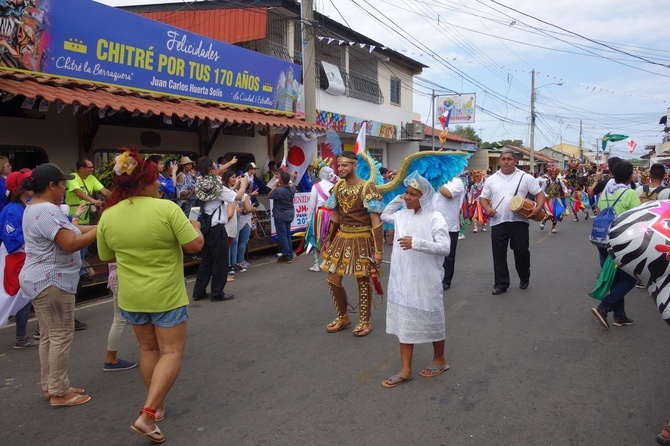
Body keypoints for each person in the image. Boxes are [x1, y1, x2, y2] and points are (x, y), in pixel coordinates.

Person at [96, 149, 204, 442]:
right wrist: (196, 228)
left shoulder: (108, 215)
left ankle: (157, 406)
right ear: (144, 181)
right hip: (166, 293)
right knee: (171, 352)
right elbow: (194, 246)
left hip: (132, 296)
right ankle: (147, 414)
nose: (159, 184)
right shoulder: (166, 209)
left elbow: (107, 255)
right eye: (156, 179)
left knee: (148, 350)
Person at [20, 163, 97, 407]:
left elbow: (73, 230)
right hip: (52, 280)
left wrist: (99, 227)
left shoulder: (36, 208)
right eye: (63, 183)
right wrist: (102, 229)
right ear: (52, 185)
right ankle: (60, 392)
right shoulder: (45, 210)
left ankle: (52, 385)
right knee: (61, 335)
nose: (65, 188)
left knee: (49, 336)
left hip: (41, 279)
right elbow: (70, 243)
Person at [380, 172, 451, 388]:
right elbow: (384, 215)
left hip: (425, 278)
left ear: (425, 196)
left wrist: (417, 243)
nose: (407, 197)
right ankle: (405, 369)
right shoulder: (402, 215)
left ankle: (439, 360)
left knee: (431, 317)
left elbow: (445, 247)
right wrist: (399, 197)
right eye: (406, 193)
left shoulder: (435, 217)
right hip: (402, 279)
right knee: (404, 322)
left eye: (413, 194)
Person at [320, 151, 384, 337]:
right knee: (332, 278)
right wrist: (328, 241)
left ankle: (365, 321)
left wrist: (378, 251)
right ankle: (343, 316)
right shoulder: (338, 187)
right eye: (338, 166)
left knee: (363, 279)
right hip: (342, 237)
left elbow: (375, 221)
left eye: (344, 165)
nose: (340, 169)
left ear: (355, 166)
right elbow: (335, 216)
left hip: (363, 238)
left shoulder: (368, 188)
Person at [479, 149, 545, 295]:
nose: (506, 161)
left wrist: (537, 208)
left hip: (519, 222)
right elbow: (483, 198)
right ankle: (501, 284)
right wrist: (487, 208)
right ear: (500, 161)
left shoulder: (525, 177)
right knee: (499, 254)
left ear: (515, 161)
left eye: (509, 159)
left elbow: (540, 194)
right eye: (503, 159)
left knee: (521, 251)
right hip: (498, 222)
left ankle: (524, 275)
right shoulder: (491, 179)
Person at [590, 160, 641, 329]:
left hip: (603, 241)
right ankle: (604, 307)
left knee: (615, 278)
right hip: (621, 242)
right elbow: (638, 219)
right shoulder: (630, 194)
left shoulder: (605, 192)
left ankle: (620, 316)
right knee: (629, 279)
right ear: (630, 176)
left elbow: (598, 211)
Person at [192, 159, 247, 302]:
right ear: (211, 171)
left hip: (204, 228)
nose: (220, 170)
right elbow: (238, 196)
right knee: (220, 261)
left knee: (207, 260)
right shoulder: (217, 188)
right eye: (217, 168)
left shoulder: (199, 184)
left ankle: (199, 291)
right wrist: (244, 184)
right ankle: (217, 292)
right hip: (217, 228)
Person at [0, 169, 36, 348]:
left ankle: (25, 335)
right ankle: (21, 337)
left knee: (25, 295)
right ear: (20, 188)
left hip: (24, 256)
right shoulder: (12, 210)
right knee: (17, 296)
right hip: (15, 258)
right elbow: (11, 238)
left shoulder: (26, 205)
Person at [65, 158, 110, 282]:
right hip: (73, 217)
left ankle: (81, 270)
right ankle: (80, 272)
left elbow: (104, 190)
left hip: (84, 218)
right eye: (90, 167)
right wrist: (93, 201)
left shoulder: (91, 179)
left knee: (83, 247)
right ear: (82, 168)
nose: (92, 169)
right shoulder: (72, 177)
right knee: (76, 246)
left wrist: (116, 197)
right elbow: (78, 192)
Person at [102, 262, 138, 372]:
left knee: (119, 319)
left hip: (116, 276)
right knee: (140, 316)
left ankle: (111, 358)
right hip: (126, 276)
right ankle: (151, 351)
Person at [433, 174, 465, 290]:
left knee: (448, 256)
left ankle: (446, 280)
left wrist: (437, 181)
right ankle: (433, 279)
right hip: (432, 224)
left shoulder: (456, 182)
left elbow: (448, 194)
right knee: (432, 254)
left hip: (449, 225)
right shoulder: (431, 181)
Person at [306, 165, 335, 271]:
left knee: (316, 236)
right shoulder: (334, 186)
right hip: (332, 214)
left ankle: (316, 264)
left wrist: (309, 218)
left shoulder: (316, 186)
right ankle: (331, 263)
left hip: (320, 215)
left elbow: (311, 204)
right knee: (332, 237)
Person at [269, 171, 297, 263]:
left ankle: (287, 255)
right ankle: (289, 254)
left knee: (282, 236)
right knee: (288, 235)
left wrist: (275, 185)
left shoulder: (278, 190)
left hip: (280, 214)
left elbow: (269, 195)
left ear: (281, 181)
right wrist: (293, 178)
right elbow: (292, 183)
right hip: (289, 213)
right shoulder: (292, 189)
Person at [539, 165, 568, 234]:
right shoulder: (547, 181)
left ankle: (553, 227)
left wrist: (566, 192)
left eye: (555, 173)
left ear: (557, 173)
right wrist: (546, 196)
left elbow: (564, 187)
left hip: (557, 199)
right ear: (550, 174)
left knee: (558, 213)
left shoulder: (559, 180)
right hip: (548, 199)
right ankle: (543, 221)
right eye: (552, 173)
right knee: (549, 213)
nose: (553, 175)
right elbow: (541, 190)